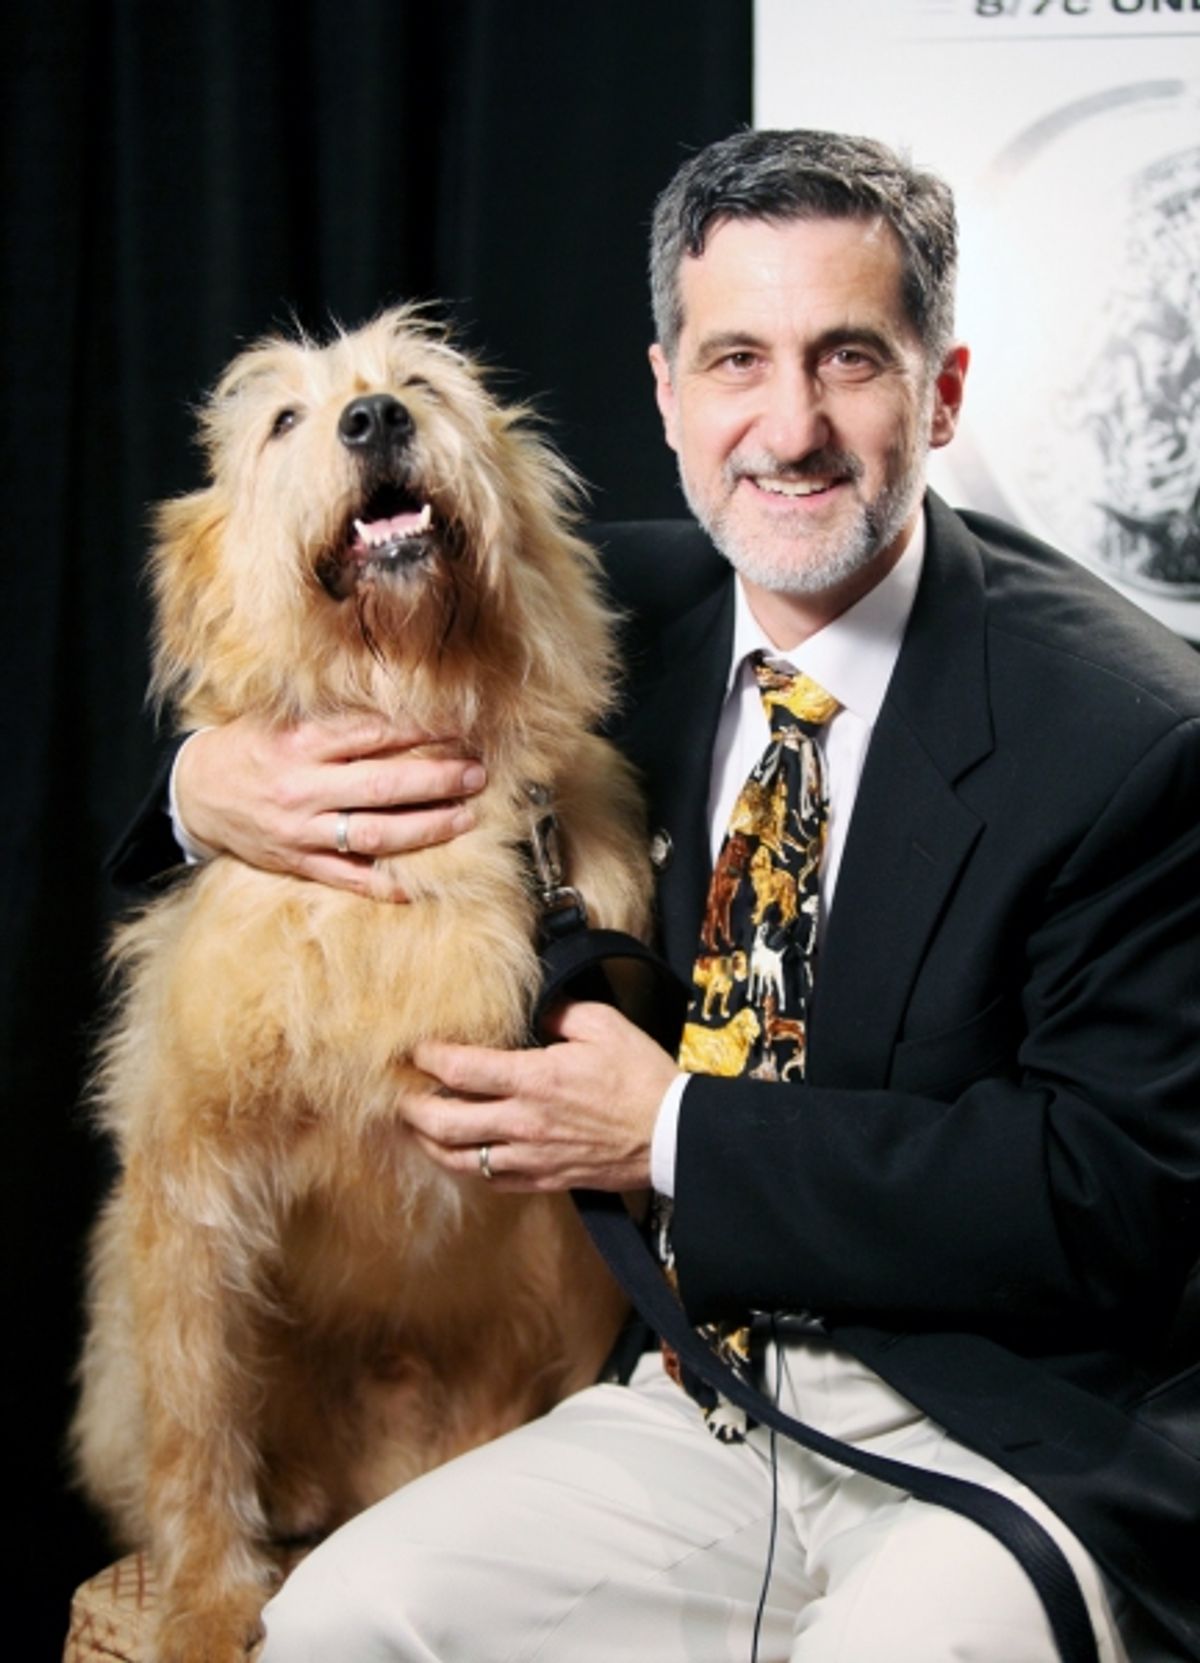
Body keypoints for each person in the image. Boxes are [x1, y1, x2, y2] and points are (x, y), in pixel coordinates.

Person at [114, 130, 1200, 1662]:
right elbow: (297, 616)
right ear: (668, 394)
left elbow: (1114, 1197)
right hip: (698, 1397)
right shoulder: (614, 608)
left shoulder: (1133, 733)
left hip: (1009, 1427)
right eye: (737, 360)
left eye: (853, 360)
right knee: (347, 1626)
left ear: (944, 391)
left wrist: (672, 1128)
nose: (792, 426)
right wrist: (198, 782)